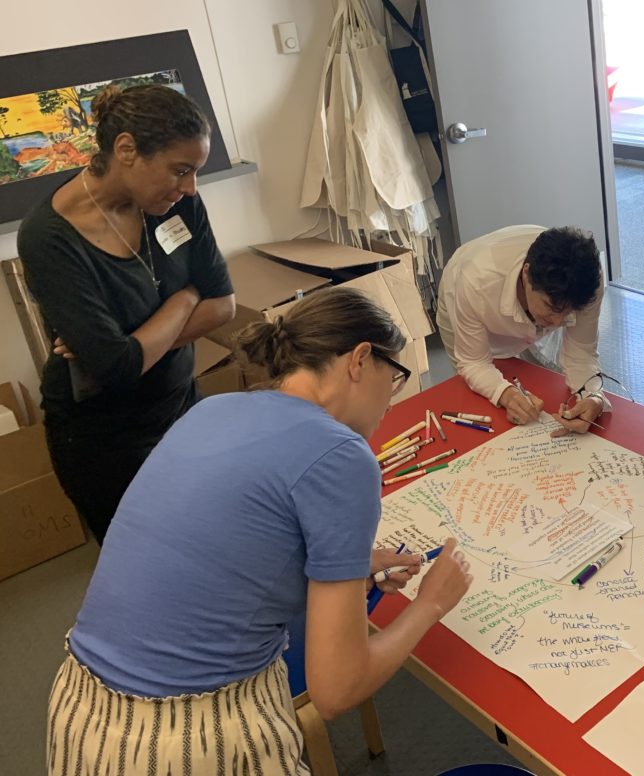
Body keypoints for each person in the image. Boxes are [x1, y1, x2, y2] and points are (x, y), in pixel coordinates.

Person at [46, 287, 474, 776]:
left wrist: (350, 564)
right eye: (394, 378)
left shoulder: (212, 409)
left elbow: (223, 555)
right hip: (190, 740)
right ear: (359, 360)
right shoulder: (341, 454)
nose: (391, 399)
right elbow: (336, 692)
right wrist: (430, 604)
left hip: (81, 716)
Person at [18, 84, 236, 543]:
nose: (190, 187)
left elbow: (224, 305)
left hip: (180, 406)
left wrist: (134, 346)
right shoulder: (49, 237)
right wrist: (186, 295)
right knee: (150, 570)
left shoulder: (175, 203)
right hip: (105, 441)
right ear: (126, 150)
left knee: (211, 542)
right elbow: (115, 371)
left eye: (194, 172)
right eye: (180, 170)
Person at [436, 224, 609, 435]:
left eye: (568, 314)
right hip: (465, 294)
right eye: (551, 308)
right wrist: (505, 394)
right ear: (527, 274)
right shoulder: (475, 283)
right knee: (484, 406)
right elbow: (473, 362)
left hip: (521, 301)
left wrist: (593, 396)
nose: (556, 323)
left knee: (537, 390)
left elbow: (581, 352)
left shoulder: (587, 284)